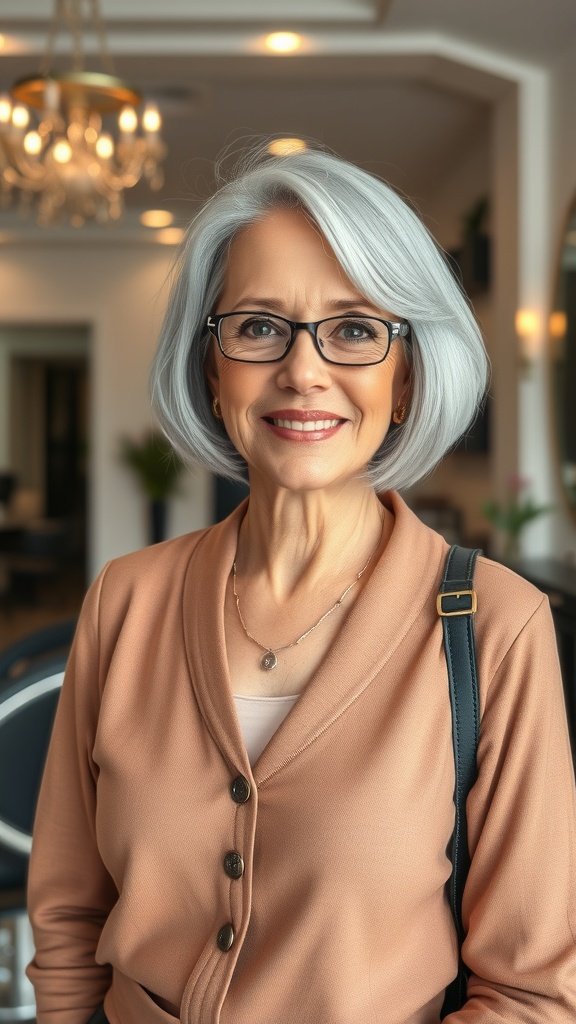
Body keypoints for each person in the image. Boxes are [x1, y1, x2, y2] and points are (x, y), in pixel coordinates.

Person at [26, 143, 576, 1024]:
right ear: (214, 370)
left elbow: (529, 992)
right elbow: (65, 919)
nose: (304, 369)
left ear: (406, 378)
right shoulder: (124, 599)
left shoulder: (497, 625)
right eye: (257, 326)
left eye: (355, 328)